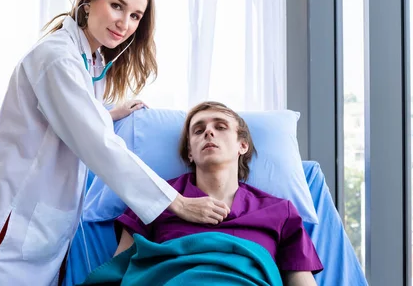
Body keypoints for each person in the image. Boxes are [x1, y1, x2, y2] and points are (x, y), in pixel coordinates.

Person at [0, 0, 230, 286]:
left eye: (135, 15)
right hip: (8, 223)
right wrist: (176, 203)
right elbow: (99, 146)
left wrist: (105, 113)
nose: (124, 23)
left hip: (37, 227)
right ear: (89, 1)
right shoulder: (57, 59)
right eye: (117, 5)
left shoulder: (90, 61)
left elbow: (67, 119)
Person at [114, 101, 323, 286]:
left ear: (242, 145)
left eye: (220, 127)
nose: (208, 132)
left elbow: (300, 280)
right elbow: (119, 270)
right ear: (190, 152)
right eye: (198, 130)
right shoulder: (154, 197)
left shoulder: (279, 211)